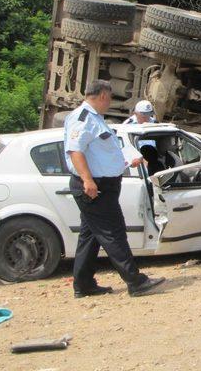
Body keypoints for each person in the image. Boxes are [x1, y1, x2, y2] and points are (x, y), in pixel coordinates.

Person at [64, 80, 165, 297]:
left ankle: (83, 284)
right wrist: (87, 180)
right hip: (95, 187)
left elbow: (102, 153)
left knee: (90, 236)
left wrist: (127, 161)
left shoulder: (95, 119)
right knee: (114, 233)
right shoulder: (82, 118)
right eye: (109, 98)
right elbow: (75, 151)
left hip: (103, 185)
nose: (110, 102)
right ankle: (135, 281)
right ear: (102, 96)